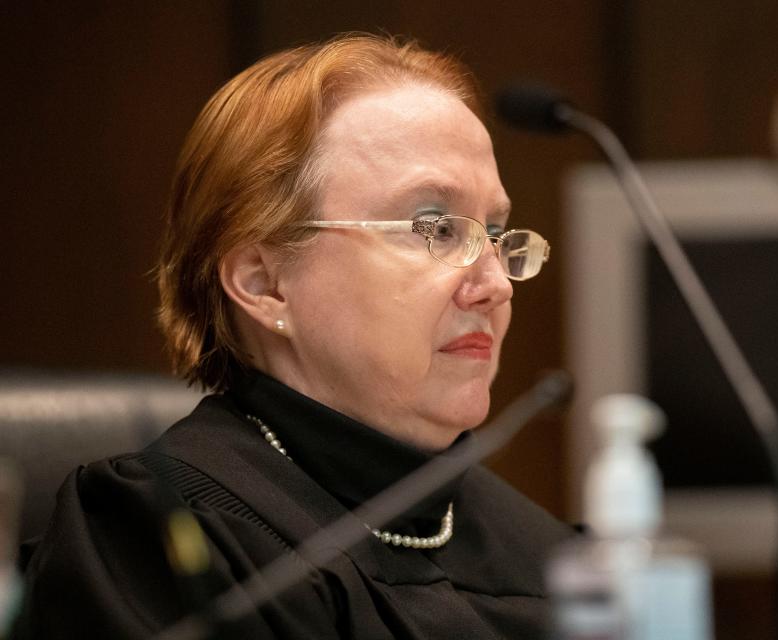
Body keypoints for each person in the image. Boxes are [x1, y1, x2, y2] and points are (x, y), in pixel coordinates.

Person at [14, 34, 570, 639]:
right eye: (433, 226)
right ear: (264, 283)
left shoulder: (550, 553)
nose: (495, 284)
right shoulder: (160, 539)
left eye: (494, 231)